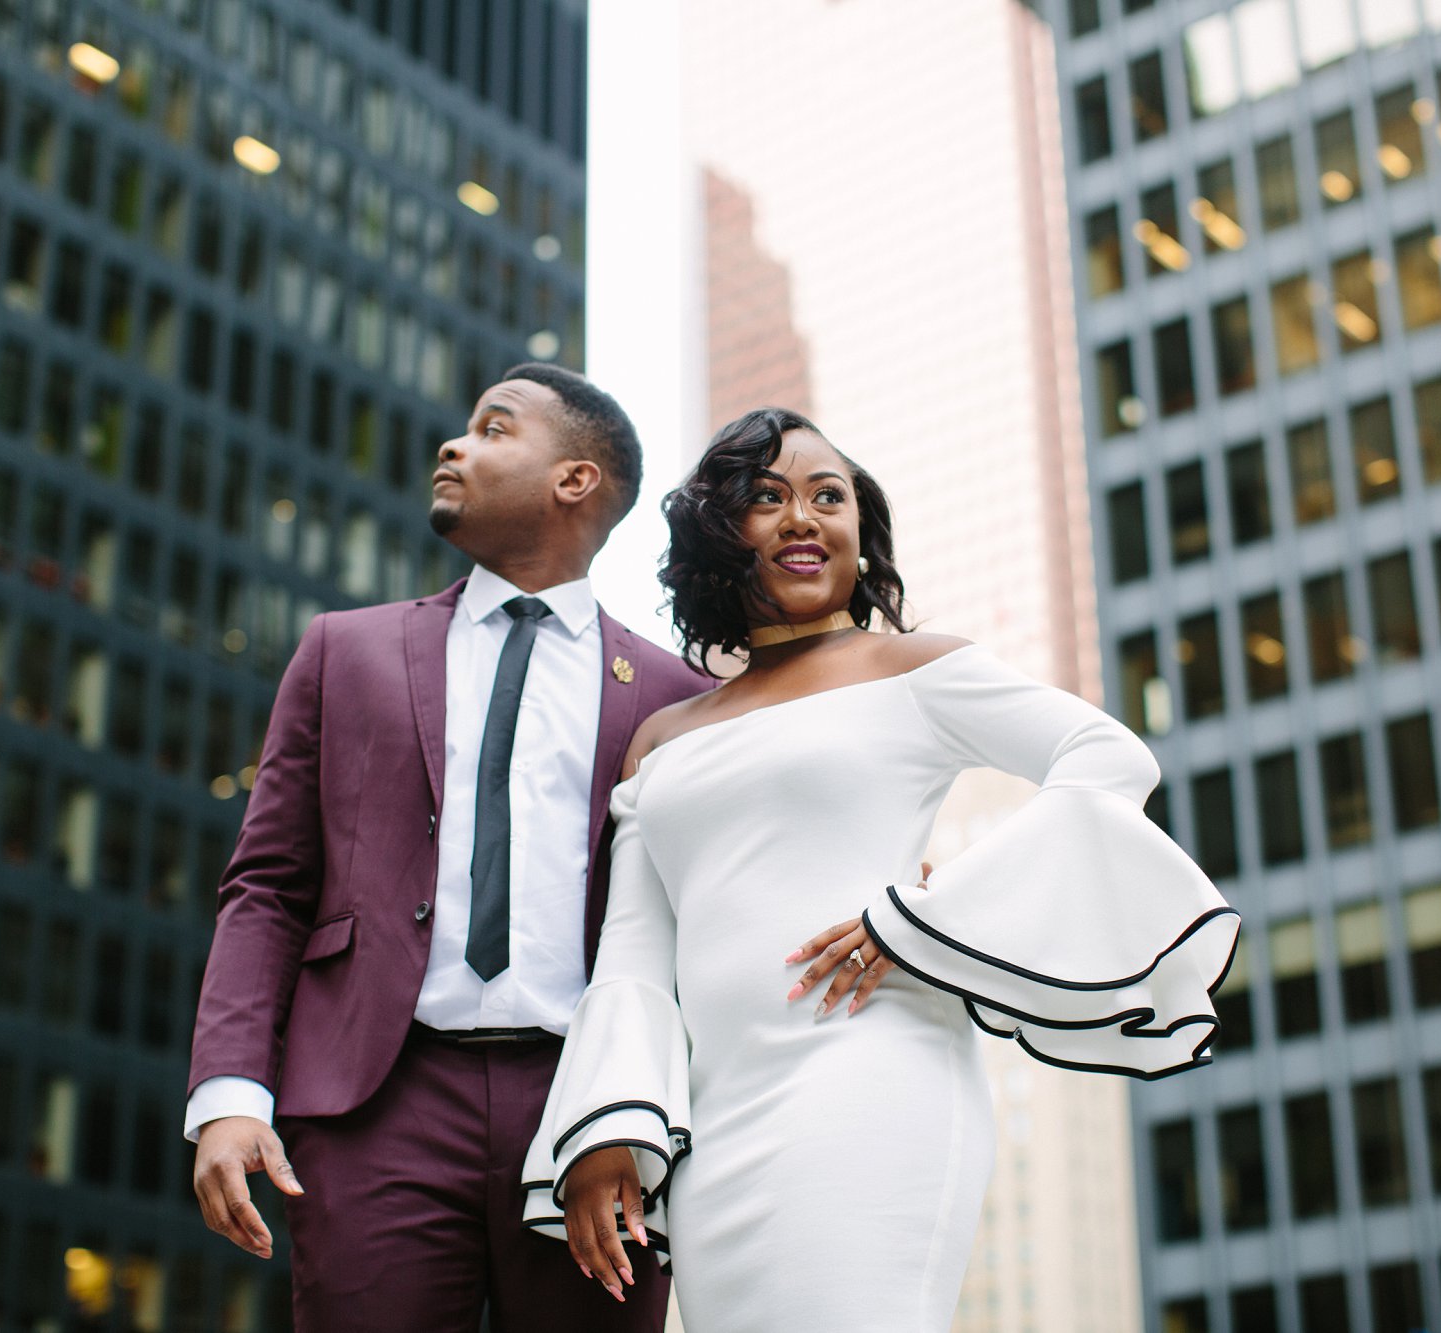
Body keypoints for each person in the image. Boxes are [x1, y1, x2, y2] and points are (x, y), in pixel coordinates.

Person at [520, 407, 1240, 1330]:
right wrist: (608, 1127)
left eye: (830, 497)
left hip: (871, 1076)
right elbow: (632, 948)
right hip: (718, 1121)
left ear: (862, 534)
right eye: (767, 497)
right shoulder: (662, 739)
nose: (804, 518)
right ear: (716, 528)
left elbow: (1107, 759)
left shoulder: (916, 669)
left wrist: (929, 921)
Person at [185, 364, 710, 1333]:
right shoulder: (345, 651)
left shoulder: (676, 698)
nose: (452, 445)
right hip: (377, 1102)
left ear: (574, 480)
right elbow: (265, 886)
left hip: (592, 1108)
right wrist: (227, 1090)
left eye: (492, 429)